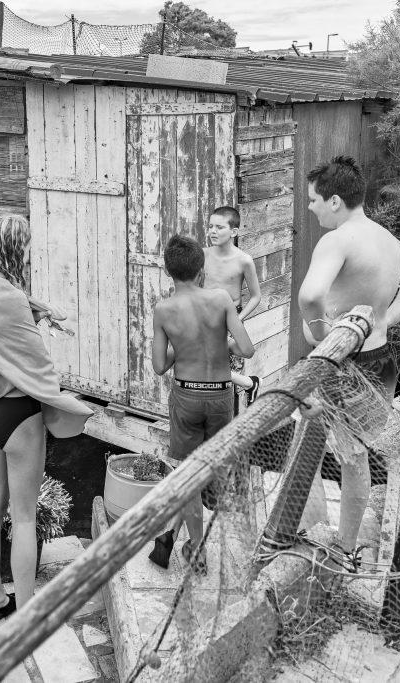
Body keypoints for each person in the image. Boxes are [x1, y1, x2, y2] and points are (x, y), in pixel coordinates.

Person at [0, 214, 93, 622]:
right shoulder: (15, 299)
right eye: (28, 248)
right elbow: (38, 366)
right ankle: (29, 611)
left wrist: (33, 314)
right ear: (17, 249)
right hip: (18, 415)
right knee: (24, 517)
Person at [297, 155, 400, 558]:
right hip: (380, 358)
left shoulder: (337, 239)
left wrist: (324, 338)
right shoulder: (385, 238)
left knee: (338, 451)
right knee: (351, 453)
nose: (310, 207)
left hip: (343, 366)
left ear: (335, 200)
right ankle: (341, 541)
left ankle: (326, 541)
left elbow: (309, 296)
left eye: (313, 200)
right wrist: (384, 319)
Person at [148, 234, 255, 574]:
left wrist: (184, 343)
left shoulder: (163, 309)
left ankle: (195, 547)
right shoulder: (222, 299)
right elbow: (246, 349)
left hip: (187, 396)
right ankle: (177, 538)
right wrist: (218, 345)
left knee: (188, 477)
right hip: (221, 396)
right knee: (208, 472)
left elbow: (159, 366)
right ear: (200, 268)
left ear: (169, 272)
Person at [204, 206, 264, 405]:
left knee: (230, 373)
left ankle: (237, 407)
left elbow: (256, 296)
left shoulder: (244, 260)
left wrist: (237, 320)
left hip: (231, 319)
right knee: (204, 368)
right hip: (205, 317)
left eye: (219, 227)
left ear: (234, 232)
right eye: (211, 226)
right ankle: (250, 383)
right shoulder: (202, 255)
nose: (212, 231)